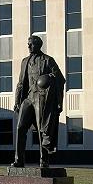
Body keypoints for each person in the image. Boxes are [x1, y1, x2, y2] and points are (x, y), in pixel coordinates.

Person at [11, 35, 65, 168]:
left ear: (38, 45)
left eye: (31, 44)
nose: (28, 46)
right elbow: (20, 83)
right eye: (28, 44)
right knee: (20, 127)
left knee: (42, 129)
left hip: (41, 98)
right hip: (28, 98)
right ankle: (19, 160)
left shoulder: (47, 60)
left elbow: (60, 78)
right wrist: (17, 100)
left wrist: (50, 77)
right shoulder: (25, 61)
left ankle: (43, 160)